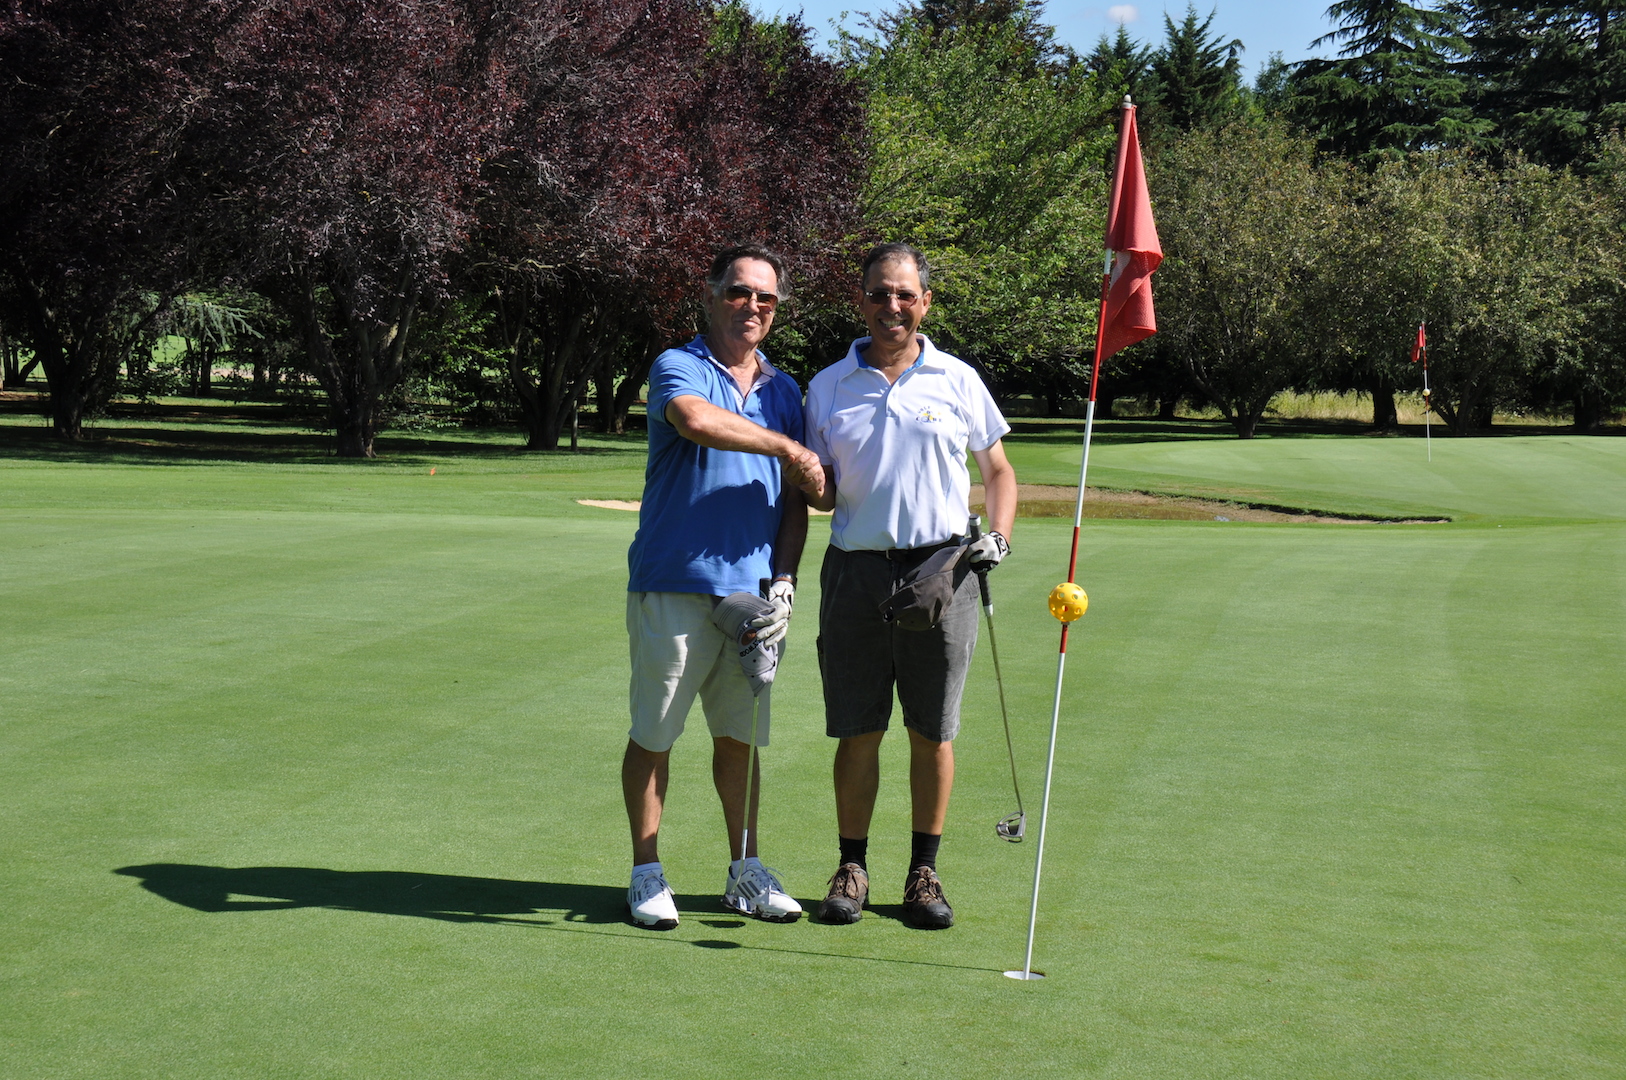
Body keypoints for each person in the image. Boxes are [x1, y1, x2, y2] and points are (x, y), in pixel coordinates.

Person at [803, 242, 1017, 929]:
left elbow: (999, 471)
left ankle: (924, 871)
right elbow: (823, 494)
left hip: (941, 572)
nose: (890, 306)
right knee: (858, 730)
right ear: (859, 299)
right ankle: (852, 866)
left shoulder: (956, 378)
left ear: (924, 301)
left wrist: (1001, 537)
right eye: (877, 293)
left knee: (932, 731)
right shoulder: (828, 385)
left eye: (904, 294)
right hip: (856, 571)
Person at [622, 244, 825, 930]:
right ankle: (646, 872)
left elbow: (799, 502)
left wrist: (787, 578)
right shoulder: (680, 365)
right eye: (739, 293)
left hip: (752, 596)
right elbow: (693, 420)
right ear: (710, 296)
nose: (752, 308)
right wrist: (788, 447)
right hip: (674, 582)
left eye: (766, 299)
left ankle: (745, 869)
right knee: (655, 734)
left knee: (740, 738)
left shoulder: (785, 390)